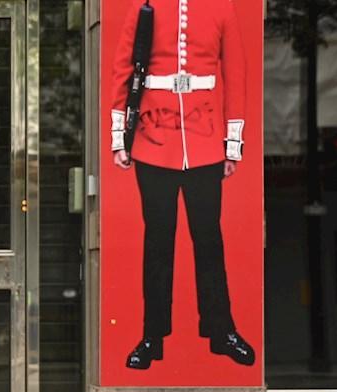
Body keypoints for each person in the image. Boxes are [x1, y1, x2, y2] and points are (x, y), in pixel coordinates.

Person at [109, 0, 256, 370]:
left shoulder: (221, 8)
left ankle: (221, 331)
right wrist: (119, 137)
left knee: (209, 241)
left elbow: (235, 73)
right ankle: (152, 337)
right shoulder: (146, 6)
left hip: (205, 139)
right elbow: (123, 70)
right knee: (158, 244)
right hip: (154, 138)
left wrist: (232, 142)